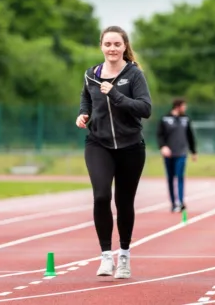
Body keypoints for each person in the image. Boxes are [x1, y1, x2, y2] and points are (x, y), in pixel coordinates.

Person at [76, 25, 152, 279]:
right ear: (101, 46)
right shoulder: (91, 75)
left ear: (124, 47)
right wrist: (82, 113)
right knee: (100, 197)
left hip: (130, 146)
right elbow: (86, 98)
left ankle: (125, 256)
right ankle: (105, 256)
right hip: (98, 144)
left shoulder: (134, 74)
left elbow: (145, 108)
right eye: (108, 44)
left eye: (117, 44)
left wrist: (116, 95)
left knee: (124, 202)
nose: (112, 49)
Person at [156, 98, 197, 213]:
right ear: (177, 106)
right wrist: (163, 147)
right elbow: (160, 135)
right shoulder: (165, 119)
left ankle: (180, 201)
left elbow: (190, 136)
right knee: (170, 178)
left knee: (180, 176)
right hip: (169, 153)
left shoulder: (186, 119)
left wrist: (193, 151)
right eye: (184, 106)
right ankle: (173, 203)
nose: (185, 108)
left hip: (181, 152)